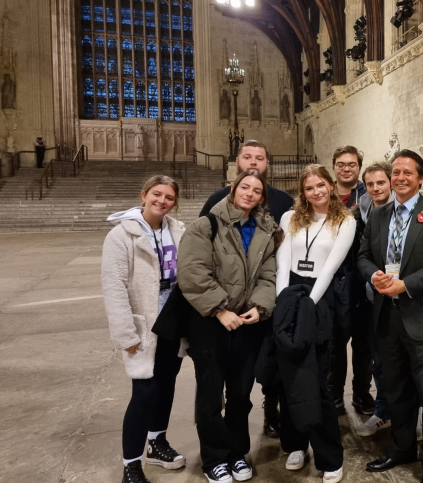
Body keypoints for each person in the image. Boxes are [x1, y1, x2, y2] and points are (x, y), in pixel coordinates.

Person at [358, 150, 423, 483]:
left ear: (420, 179)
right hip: (387, 319)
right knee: (397, 389)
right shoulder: (378, 216)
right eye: (396, 172)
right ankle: (401, 448)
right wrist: (374, 275)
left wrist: (405, 284)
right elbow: (362, 256)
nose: (400, 177)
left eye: (408, 173)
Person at [178, 170, 278, 483]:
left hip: (247, 325)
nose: (249, 193)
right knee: (210, 396)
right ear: (232, 189)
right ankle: (214, 459)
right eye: (244, 187)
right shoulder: (205, 225)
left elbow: (269, 275)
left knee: (240, 395)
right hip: (210, 324)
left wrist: (259, 308)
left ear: (262, 197)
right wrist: (221, 310)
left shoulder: (265, 230)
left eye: (256, 190)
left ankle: (237, 453)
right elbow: (193, 273)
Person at [198, 139, 292, 439]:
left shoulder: (282, 201)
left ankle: (270, 409)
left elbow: (279, 254)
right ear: (238, 161)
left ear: (268, 163)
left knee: (265, 363)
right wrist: (218, 305)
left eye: (260, 158)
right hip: (221, 306)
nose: (254, 162)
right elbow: (200, 257)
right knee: (215, 377)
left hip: (261, 299)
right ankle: (214, 429)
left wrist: (265, 299)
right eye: (248, 157)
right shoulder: (216, 201)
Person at [101, 176, 186, 483]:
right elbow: (114, 287)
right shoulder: (121, 235)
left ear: (175, 202)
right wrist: (126, 334)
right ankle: (131, 464)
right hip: (144, 323)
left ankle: (157, 442)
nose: (161, 201)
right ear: (144, 195)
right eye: (156, 194)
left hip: (172, 321)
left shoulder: (178, 230)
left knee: (166, 384)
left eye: (168, 197)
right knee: (144, 392)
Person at [276, 164, 355, 483]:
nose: (317, 192)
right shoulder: (289, 218)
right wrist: (284, 303)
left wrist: (308, 305)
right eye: (310, 188)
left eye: (321, 185)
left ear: (331, 186)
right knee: (288, 376)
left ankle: (329, 456)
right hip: (290, 293)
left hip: (320, 299)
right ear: (302, 192)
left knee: (318, 380)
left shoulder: (345, 220)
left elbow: (330, 267)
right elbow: (283, 261)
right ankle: (295, 445)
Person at [328, 145, 373, 414]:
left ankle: (361, 393)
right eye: (342, 164)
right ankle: (334, 394)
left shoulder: (368, 195)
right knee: (335, 342)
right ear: (334, 166)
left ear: (359, 167)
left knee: (364, 341)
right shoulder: (324, 194)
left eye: (352, 164)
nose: (347, 168)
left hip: (362, 274)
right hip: (333, 278)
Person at [353, 161, 395, 437]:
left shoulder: (409, 208)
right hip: (372, 295)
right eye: (370, 184)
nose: (376, 188)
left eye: (381, 182)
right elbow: (362, 253)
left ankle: (412, 413)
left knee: (406, 360)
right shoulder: (361, 210)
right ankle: (383, 411)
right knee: (378, 357)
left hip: (403, 294)